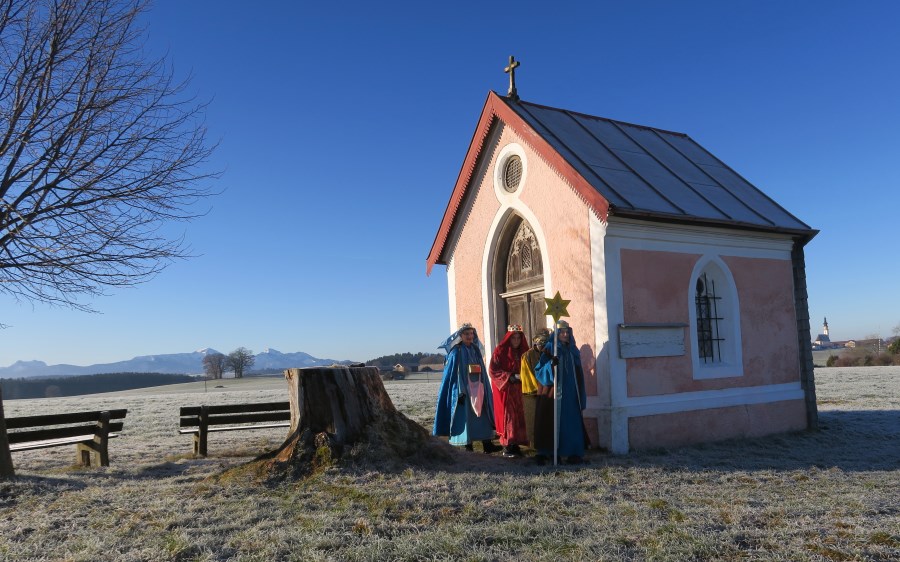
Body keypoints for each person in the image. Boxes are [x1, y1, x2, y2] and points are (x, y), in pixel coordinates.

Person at [432, 323, 500, 453]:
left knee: (482, 414)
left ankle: (487, 444)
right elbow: (454, 374)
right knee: (466, 417)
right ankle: (468, 446)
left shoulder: (475, 349)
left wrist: (483, 384)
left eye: (471, 334)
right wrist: (460, 391)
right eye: (466, 334)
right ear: (461, 336)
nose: (469, 336)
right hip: (464, 389)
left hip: (478, 386)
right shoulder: (456, 351)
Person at [535, 320, 587, 464]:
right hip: (554, 394)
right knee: (554, 423)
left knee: (572, 423)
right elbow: (538, 371)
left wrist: (581, 394)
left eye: (567, 332)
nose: (565, 334)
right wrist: (551, 365)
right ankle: (553, 453)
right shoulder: (550, 349)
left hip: (571, 393)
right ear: (556, 334)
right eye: (562, 332)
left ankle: (573, 452)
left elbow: (578, 372)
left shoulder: (573, 350)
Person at [488, 324, 530, 457]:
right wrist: (510, 377)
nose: (516, 341)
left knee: (520, 417)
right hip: (506, 391)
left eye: (518, 338)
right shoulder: (500, 351)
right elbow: (493, 370)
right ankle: (507, 446)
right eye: (514, 338)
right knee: (509, 418)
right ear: (508, 338)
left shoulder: (524, 351)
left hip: (520, 391)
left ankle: (516, 444)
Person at [520, 328, 552, 454]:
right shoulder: (527, 356)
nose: (542, 346)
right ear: (535, 342)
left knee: (547, 419)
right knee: (534, 420)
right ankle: (535, 445)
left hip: (548, 392)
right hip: (533, 393)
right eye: (540, 343)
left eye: (545, 343)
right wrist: (539, 387)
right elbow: (526, 375)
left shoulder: (550, 353)